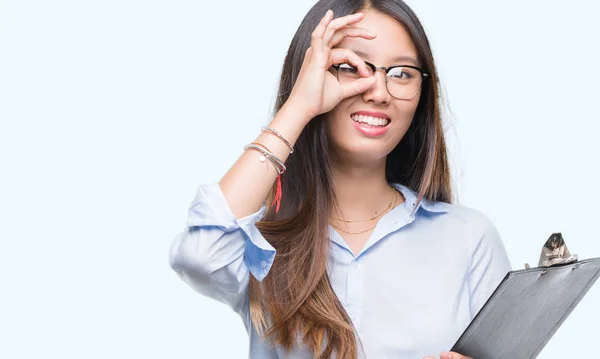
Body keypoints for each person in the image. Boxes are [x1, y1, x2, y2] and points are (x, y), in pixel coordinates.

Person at [168, 0, 511, 358]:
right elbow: (200, 256)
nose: (378, 91)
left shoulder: (469, 237)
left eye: (401, 73)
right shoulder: (262, 246)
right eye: (349, 66)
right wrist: (299, 106)